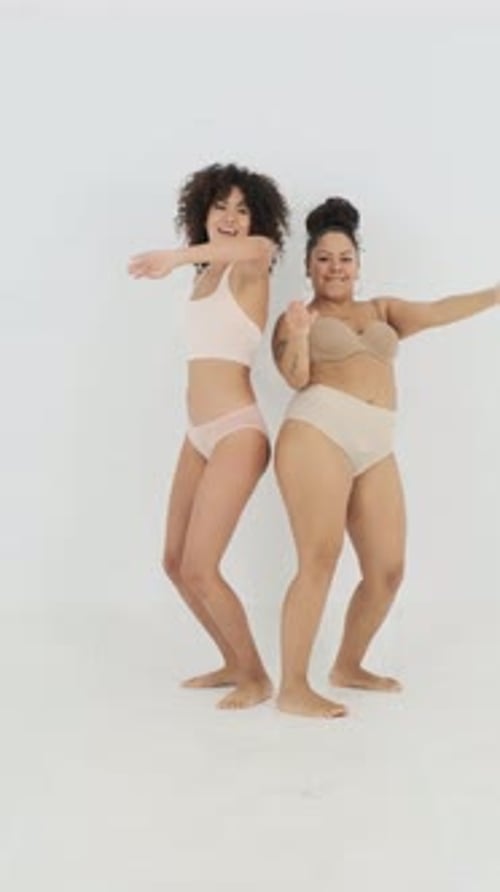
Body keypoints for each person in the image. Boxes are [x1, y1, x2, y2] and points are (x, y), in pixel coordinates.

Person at [272, 196, 499, 719]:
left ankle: (347, 666)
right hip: (317, 430)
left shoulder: (383, 311)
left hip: (376, 443)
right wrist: (302, 338)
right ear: (308, 265)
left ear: (358, 264)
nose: (334, 267)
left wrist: (494, 294)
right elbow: (295, 377)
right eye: (323, 258)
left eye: (344, 257)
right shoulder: (296, 318)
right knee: (319, 559)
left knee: (388, 570)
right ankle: (292, 686)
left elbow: (441, 310)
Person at [128, 163, 289, 709]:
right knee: (175, 563)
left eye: (243, 208)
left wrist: (177, 254)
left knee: (201, 565)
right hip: (197, 432)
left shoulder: (252, 265)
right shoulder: (206, 275)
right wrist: (190, 260)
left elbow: (257, 247)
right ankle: (232, 661)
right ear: (202, 210)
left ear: (256, 219)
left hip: (238, 434)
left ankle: (257, 677)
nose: (230, 217)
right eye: (221, 205)